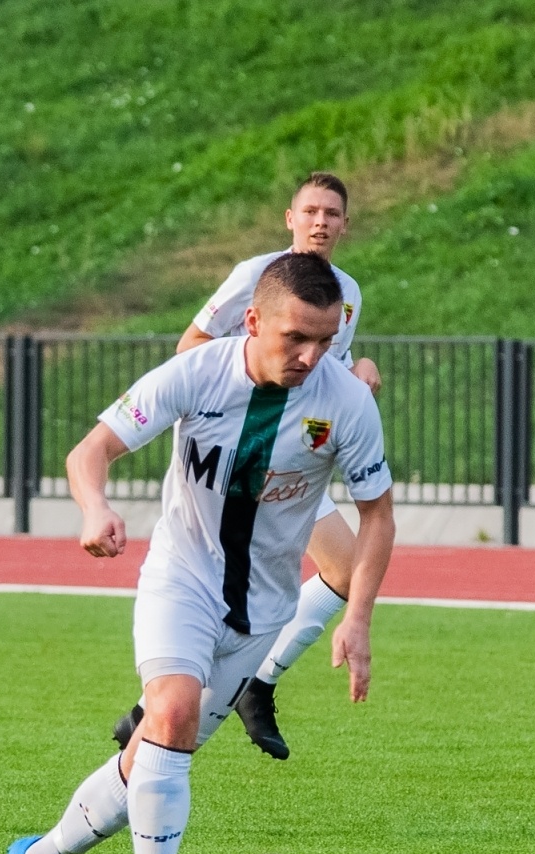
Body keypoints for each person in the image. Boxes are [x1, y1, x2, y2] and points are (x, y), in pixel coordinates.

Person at [0, 252, 394, 854]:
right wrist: (94, 508)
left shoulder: (344, 402)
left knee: (153, 756)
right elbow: (91, 450)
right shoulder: (197, 374)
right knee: (170, 708)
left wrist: (357, 617)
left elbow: (377, 514)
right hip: (182, 577)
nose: (311, 355)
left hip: (262, 609)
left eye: (324, 340)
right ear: (253, 321)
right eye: (296, 337)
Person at [114, 172, 378, 761]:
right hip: (241, 456)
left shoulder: (348, 291)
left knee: (347, 567)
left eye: (332, 213)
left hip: (297, 460)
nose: (320, 222)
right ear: (289, 218)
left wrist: (359, 372)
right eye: (310, 210)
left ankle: (255, 681)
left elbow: (326, 365)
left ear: (344, 224)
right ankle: (189, 694)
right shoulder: (253, 277)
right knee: (288, 570)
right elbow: (191, 350)